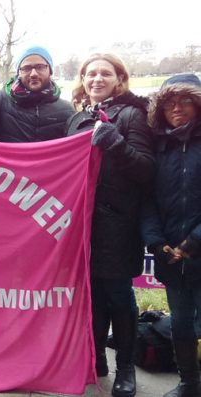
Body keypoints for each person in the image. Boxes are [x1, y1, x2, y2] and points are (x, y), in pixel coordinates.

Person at [65, 53, 155, 397]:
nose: (97, 79)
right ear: (83, 80)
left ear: (120, 79)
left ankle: (126, 367)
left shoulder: (133, 115)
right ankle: (97, 356)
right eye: (91, 74)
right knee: (92, 295)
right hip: (82, 226)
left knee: (119, 295)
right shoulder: (75, 120)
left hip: (118, 224)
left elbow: (147, 169)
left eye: (105, 73)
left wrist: (115, 144)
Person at [142, 73, 201, 397]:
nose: (177, 108)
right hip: (172, 259)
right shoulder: (159, 147)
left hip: (196, 250)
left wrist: (194, 241)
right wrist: (155, 240)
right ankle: (188, 383)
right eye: (170, 103)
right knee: (180, 325)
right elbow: (147, 199)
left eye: (185, 101)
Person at [0, 46, 74, 142]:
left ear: (50, 70)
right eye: (26, 68)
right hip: (4, 172)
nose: (33, 73)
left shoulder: (66, 110)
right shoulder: (0, 101)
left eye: (40, 67)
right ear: (18, 73)